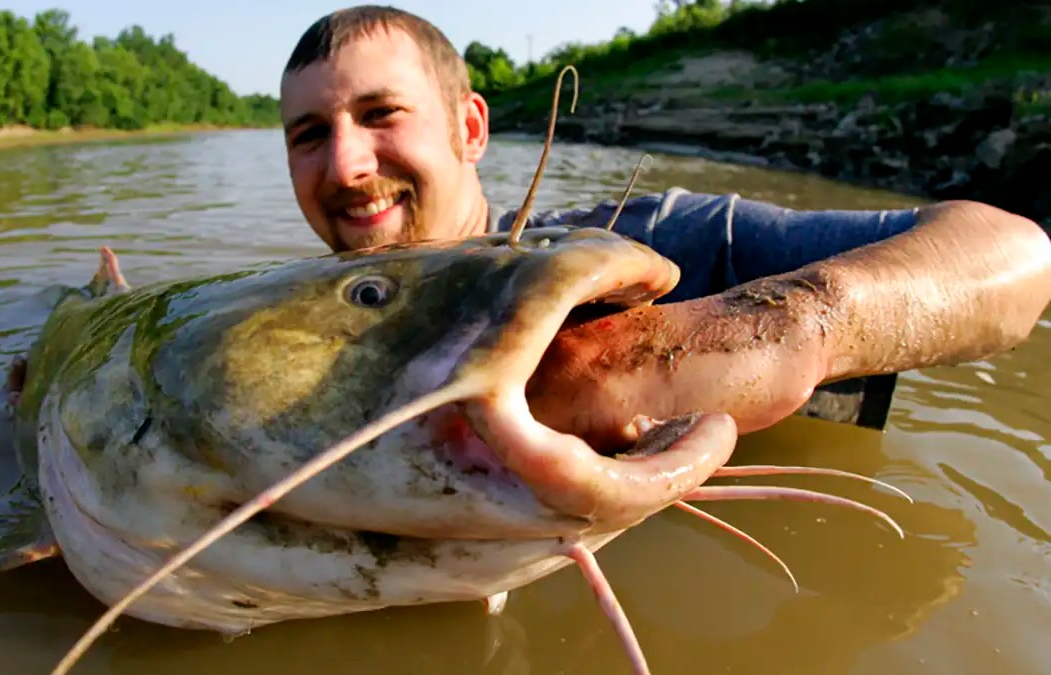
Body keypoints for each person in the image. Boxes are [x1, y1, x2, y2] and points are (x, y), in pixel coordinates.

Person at [276, 5, 1051, 441]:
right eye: (309, 134)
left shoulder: (657, 242)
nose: (344, 165)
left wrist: (778, 329)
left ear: (471, 127)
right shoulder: (293, 337)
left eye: (381, 113)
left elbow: (1016, 256)